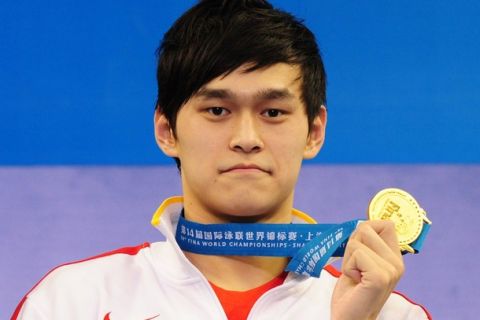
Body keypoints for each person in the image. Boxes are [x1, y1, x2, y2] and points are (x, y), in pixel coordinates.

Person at [12, 0, 430, 319]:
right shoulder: (72, 302)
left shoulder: (389, 313)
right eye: (217, 111)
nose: (246, 139)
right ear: (167, 130)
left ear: (314, 131)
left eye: (273, 112)